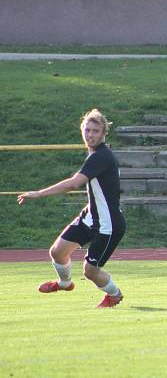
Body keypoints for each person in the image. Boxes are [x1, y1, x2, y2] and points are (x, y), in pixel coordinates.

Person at [18, 109, 126, 308]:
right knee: (58, 252)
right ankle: (65, 283)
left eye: (95, 131)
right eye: (87, 130)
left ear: (104, 134)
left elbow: (73, 184)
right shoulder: (95, 155)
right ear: (82, 130)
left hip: (108, 224)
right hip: (91, 216)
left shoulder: (101, 156)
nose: (90, 134)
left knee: (90, 271)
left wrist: (39, 193)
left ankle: (114, 294)